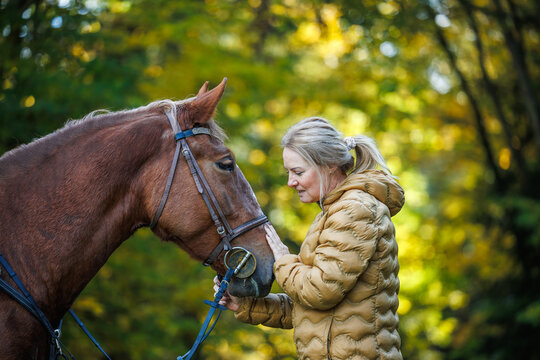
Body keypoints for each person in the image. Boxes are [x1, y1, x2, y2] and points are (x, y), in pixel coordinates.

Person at [214, 116, 405, 360]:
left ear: (330, 165)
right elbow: (310, 309)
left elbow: (320, 291)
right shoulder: (331, 214)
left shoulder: (355, 211)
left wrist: (282, 259)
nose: (290, 182)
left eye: (298, 172)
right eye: (288, 172)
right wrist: (245, 305)